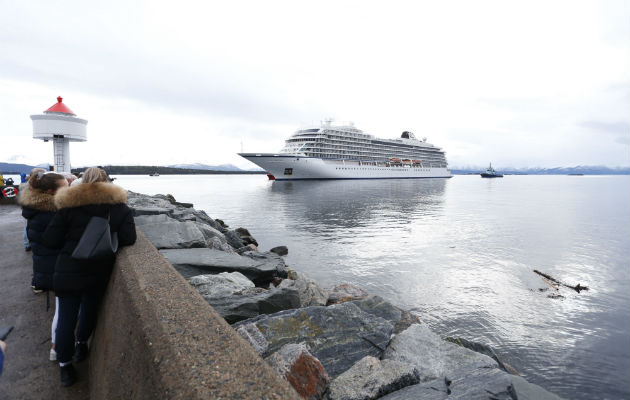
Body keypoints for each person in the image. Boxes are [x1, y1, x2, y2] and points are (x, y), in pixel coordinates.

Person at [43, 167, 136, 387]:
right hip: (98, 271)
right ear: (108, 183)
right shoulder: (119, 208)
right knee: (89, 311)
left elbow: (50, 240)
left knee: (65, 319)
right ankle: (82, 345)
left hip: (67, 270)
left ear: (83, 181)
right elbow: (129, 238)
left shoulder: (69, 205)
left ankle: (65, 368)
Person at [18, 171, 68, 361]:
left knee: (62, 311)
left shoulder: (36, 210)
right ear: (49, 191)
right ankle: (58, 351)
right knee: (63, 312)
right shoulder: (50, 214)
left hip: (46, 268)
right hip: (57, 269)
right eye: (64, 187)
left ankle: (59, 350)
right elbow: (58, 240)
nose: (69, 190)